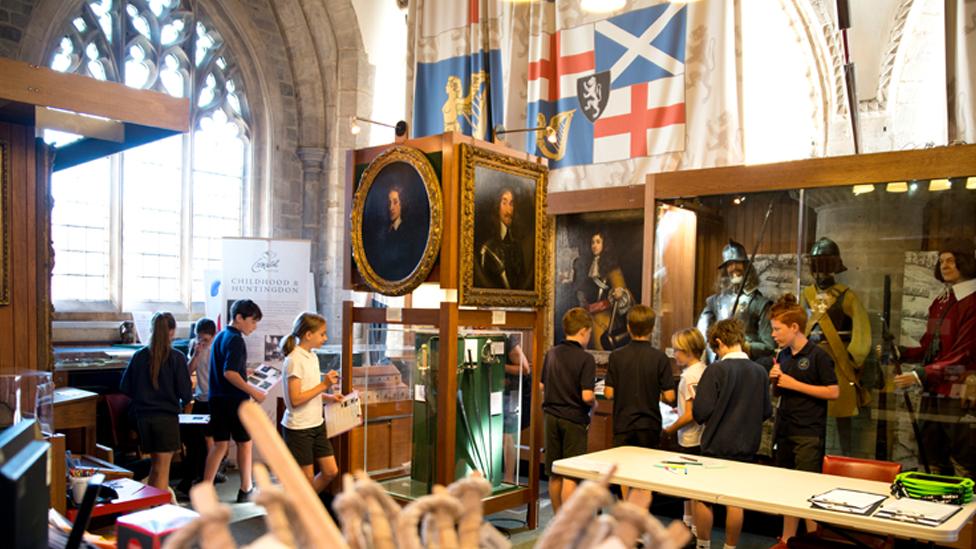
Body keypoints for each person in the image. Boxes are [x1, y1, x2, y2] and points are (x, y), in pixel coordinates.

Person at [895, 240, 976, 478]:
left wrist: (920, 374)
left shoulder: (972, 302)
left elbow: (964, 353)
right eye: (941, 261)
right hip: (935, 388)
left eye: (950, 260)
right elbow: (930, 346)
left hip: (959, 390)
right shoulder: (941, 302)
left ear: (965, 262)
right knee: (932, 452)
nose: (945, 266)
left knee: (964, 455)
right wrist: (901, 352)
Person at [692, 319, 771, 549]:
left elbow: (701, 412)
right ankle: (730, 546)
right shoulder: (759, 372)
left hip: (716, 445)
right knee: (735, 500)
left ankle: (703, 545)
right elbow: (765, 411)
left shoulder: (716, 370)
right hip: (746, 445)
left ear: (719, 343)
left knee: (704, 497)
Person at [768, 294, 839, 547]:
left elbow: (833, 391)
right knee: (788, 488)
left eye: (777, 329)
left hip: (808, 432)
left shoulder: (818, 356)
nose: (774, 334)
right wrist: (776, 380)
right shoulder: (784, 355)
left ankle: (812, 541)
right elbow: (782, 392)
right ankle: (787, 539)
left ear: (794, 327)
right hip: (785, 430)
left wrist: (795, 384)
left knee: (807, 490)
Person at [800, 238, 871, 455]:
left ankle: (847, 457)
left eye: (825, 263)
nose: (821, 269)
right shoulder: (806, 295)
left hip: (838, 361)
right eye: (818, 263)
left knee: (842, 415)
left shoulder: (847, 296)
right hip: (810, 360)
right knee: (811, 413)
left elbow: (861, 328)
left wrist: (854, 357)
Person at [604, 305, 675, 506]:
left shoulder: (616, 356)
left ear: (628, 327)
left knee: (624, 472)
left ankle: (626, 509)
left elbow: (609, 393)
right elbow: (670, 396)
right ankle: (641, 514)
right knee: (645, 474)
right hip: (649, 424)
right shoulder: (660, 358)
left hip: (623, 423)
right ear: (652, 328)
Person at [119, 311, 192, 492]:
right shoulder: (177, 357)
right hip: (166, 419)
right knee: (162, 470)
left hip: (143, 418)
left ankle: (151, 506)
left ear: (151, 330)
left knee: (155, 466)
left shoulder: (139, 356)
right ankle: (160, 512)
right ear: (172, 332)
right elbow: (186, 393)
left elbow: (125, 387)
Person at [203, 299, 266, 503]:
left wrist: (244, 373)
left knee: (219, 445)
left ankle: (205, 490)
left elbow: (227, 370)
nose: (254, 327)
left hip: (217, 399)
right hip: (234, 401)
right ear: (239, 317)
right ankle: (246, 488)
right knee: (244, 443)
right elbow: (230, 373)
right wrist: (253, 391)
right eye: (253, 321)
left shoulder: (221, 335)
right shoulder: (236, 339)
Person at [280, 312, 344, 493]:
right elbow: (295, 399)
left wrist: (329, 397)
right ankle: (302, 512)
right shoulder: (294, 359)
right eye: (322, 334)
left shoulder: (313, 356)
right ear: (308, 335)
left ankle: (302, 507)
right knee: (306, 480)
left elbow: (310, 390)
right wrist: (324, 385)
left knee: (331, 471)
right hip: (299, 428)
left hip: (317, 424)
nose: (326, 338)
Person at [542, 307, 597, 513]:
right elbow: (587, 396)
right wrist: (595, 405)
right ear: (583, 331)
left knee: (555, 472)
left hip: (550, 417)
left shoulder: (552, 353)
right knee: (571, 474)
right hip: (573, 419)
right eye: (589, 333)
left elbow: (541, 386)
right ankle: (570, 524)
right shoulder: (585, 359)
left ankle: (558, 520)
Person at [697, 239, 775, 364]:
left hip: (748, 365)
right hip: (719, 362)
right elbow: (700, 333)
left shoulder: (760, 303)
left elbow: (769, 345)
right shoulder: (715, 301)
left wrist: (744, 346)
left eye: (737, 263)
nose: (733, 268)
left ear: (746, 265)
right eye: (729, 264)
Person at [662, 327, 708, 535]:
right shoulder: (703, 369)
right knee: (690, 489)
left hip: (690, 438)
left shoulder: (689, 377)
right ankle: (689, 525)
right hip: (700, 435)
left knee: (690, 487)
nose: (674, 354)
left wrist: (671, 428)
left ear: (688, 351)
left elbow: (691, 414)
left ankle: (693, 529)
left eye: (677, 350)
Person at [176, 318, 220, 495]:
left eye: (205, 340)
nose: (202, 342)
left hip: (214, 399)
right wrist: (196, 353)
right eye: (199, 338)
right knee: (193, 439)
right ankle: (195, 477)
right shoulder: (195, 345)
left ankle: (209, 477)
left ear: (213, 336)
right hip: (201, 397)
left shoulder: (217, 348)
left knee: (210, 439)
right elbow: (188, 371)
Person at [575, 229, 634, 351]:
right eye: (592, 242)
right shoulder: (587, 265)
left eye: (598, 242)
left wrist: (619, 293)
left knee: (600, 349)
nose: (594, 245)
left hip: (603, 318)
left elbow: (622, 291)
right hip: (588, 317)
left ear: (605, 244)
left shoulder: (612, 267)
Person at [476, 187, 528, 290]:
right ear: (497, 207)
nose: (509, 210)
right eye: (504, 203)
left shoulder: (517, 246)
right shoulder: (488, 248)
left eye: (511, 204)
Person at [503, 333, 531, 484]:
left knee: (507, 435)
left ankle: (509, 478)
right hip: (501, 393)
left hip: (514, 394)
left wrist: (500, 367)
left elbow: (525, 369)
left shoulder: (508, 342)